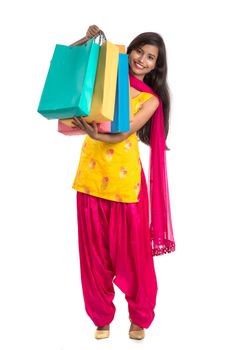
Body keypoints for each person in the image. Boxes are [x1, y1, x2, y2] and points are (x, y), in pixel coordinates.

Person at [70, 24, 176, 340]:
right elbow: (72, 64)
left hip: (125, 184)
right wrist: (88, 40)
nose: (141, 60)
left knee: (133, 254)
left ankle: (140, 317)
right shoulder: (107, 77)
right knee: (93, 253)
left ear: (157, 66)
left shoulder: (150, 100)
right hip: (90, 178)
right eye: (139, 51)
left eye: (150, 57)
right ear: (128, 51)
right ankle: (101, 318)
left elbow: (124, 131)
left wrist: (94, 133)